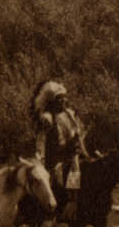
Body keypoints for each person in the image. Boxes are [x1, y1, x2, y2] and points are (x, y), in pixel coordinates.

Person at [31, 80, 87, 217]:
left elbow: (77, 135)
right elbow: (41, 140)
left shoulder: (69, 114)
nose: (64, 101)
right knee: (73, 171)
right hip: (57, 159)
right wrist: (40, 157)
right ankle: (70, 204)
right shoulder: (47, 118)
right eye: (59, 99)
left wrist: (83, 149)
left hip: (74, 152)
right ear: (52, 102)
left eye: (64, 98)